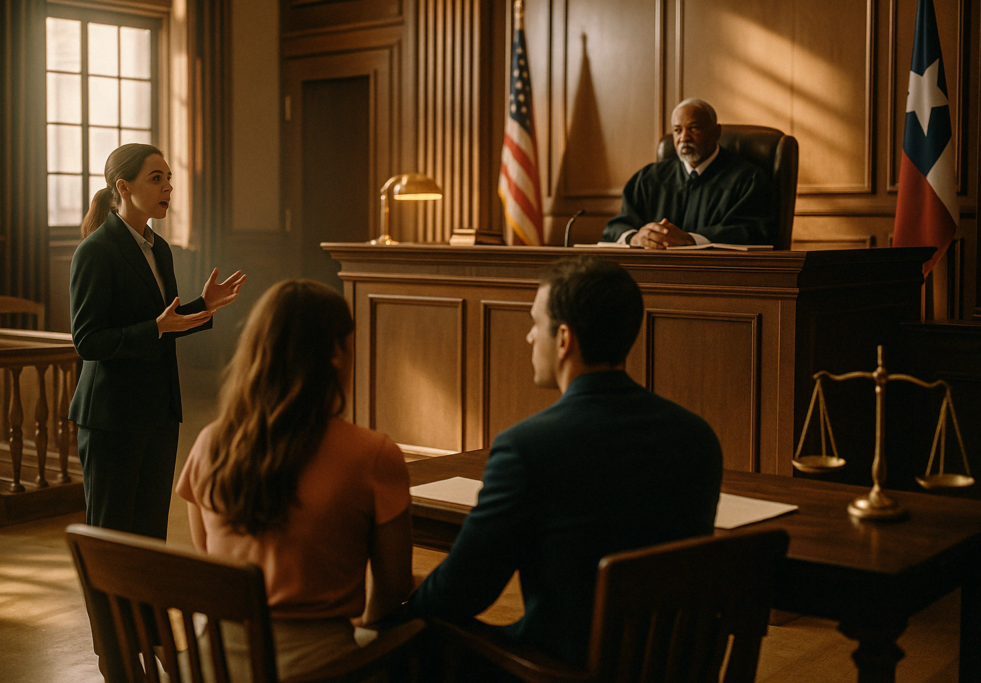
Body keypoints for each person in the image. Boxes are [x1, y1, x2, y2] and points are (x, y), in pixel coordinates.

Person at [406, 255, 723, 669]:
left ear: (563, 339)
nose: (528, 337)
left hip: (560, 671)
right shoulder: (698, 438)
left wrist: (399, 609)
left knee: (411, 639)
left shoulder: (527, 447)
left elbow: (462, 593)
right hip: (672, 669)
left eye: (535, 323)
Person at [176, 279, 413, 681]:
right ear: (336, 353)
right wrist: (367, 630)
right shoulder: (373, 454)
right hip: (318, 668)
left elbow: (211, 554)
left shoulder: (209, 443)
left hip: (212, 665)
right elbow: (392, 589)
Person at [69, 143, 245, 541]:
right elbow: (88, 341)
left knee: (150, 535)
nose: (168, 187)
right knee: (112, 538)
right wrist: (156, 328)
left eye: (168, 178)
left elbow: (165, 323)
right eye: (156, 178)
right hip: (111, 417)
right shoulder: (95, 251)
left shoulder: (160, 249)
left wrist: (205, 306)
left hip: (160, 412)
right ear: (124, 187)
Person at [601, 98, 775, 248]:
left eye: (694, 128)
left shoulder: (747, 178)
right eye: (677, 130)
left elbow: (752, 232)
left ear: (716, 133)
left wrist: (691, 240)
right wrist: (635, 238)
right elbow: (616, 227)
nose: (684, 138)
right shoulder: (649, 178)